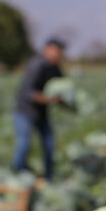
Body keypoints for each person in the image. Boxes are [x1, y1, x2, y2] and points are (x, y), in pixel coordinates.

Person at [13, 37, 66, 181]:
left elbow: (63, 89)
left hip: (41, 113)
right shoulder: (37, 65)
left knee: (49, 145)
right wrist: (50, 100)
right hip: (25, 111)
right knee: (24, 144)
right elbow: (28, 92)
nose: (58, 55)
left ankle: (49, 178)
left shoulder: (55, 69)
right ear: (47, 50)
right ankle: (18, 175)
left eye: (60, 52)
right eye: (56, 51)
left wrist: (67, 104)